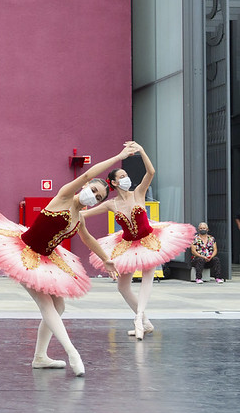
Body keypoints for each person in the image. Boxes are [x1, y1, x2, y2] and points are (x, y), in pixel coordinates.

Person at [0, 144, 136, 377]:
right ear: (85, 185)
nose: (94, 196)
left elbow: (88, 240)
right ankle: (72, 352)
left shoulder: (79, 218)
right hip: (25, 253)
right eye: (94, 190)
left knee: (59, 306)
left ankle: (40, 356)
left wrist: (106, 259)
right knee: (47, 305)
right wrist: (119, 157)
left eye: (98, 197)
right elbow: (88, 173)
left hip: (47, 258)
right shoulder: (65, 194)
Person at [81, 142, 196, 339]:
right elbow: (84, 214)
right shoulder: (111, 204)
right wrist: (83, 196)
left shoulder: (139, 193)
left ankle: (139, 318)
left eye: (126, 176)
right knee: (122, 286)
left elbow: (150, 172)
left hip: (148, 240)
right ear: (114, 183)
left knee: (147, 277)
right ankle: (146, 322)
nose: (126, 179)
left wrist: (141, 151)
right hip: (127, 244)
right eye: (122, 177)